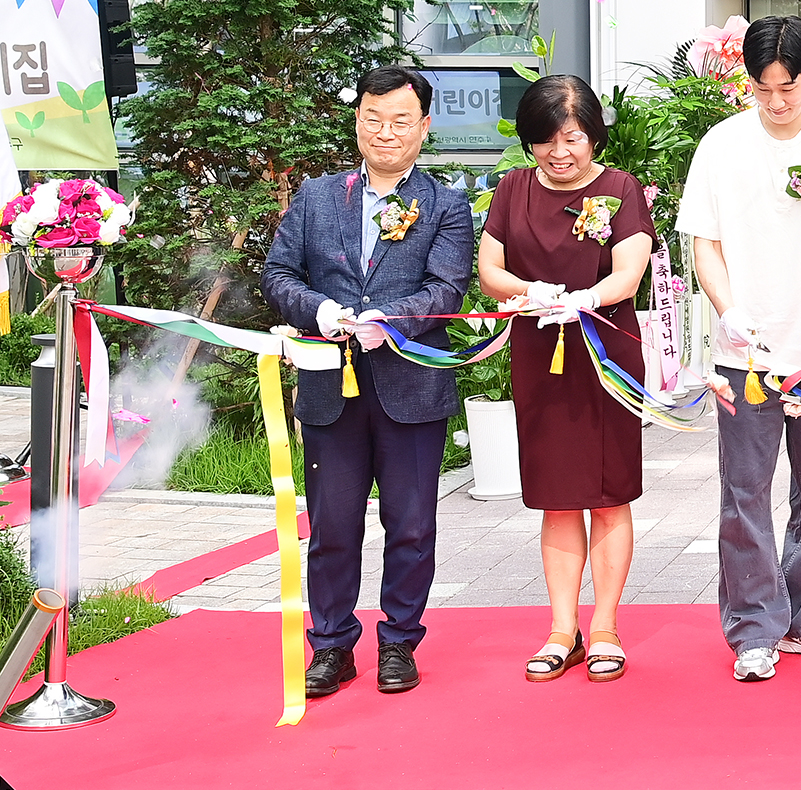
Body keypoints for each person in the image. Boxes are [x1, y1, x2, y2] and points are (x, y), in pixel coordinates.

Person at [677, 15, 801, 683]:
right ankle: (755, 625)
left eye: (787, 87)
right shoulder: (721, 146)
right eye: (761, 88)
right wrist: (727, 310)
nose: (775, 102)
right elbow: (705, 242)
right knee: (745, 491)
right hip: (746, 353)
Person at [263, 66, 474, 700]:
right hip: (331, 385)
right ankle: (330, 645)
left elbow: (447, 288)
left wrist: (395, 321)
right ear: (357, 120)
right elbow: (278, 274)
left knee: (411, 524)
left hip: (410, 383)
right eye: (374, 119)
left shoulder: (446, 204)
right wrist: (318, 311)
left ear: (424, 126)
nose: (386, 133)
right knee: (333, 523)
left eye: (401, 121)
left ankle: (400, 641)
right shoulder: (318, 197)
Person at [477, 75, 655, 684]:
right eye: (546, 140)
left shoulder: (620, 190)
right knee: (557, 496)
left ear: (593, 138)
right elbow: (490, 270)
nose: (559, 152)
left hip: (604, 353)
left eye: (573, 138)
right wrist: (531, 293)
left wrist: (583, 298)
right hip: (539, 352)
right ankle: (562, 628)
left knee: (607, 495)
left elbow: (628, 273)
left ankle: (604, 626)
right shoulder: (512, 189)